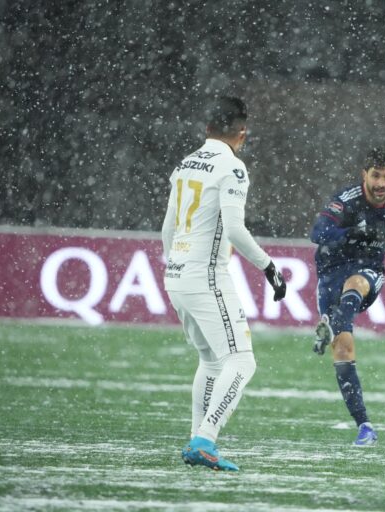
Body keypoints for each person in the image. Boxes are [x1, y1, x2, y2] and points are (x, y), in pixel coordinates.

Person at [161, 96, 287, 471]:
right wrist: (268, 267)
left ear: (207, 129)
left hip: (176, 275)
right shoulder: (231, 168)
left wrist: (178, 263)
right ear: (242, 133)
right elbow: (234, 229)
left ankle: (197, 438)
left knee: (212, 360)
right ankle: (205, 439)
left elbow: (168, 229)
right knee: (242, 362)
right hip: (206, 276)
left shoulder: (184, 165)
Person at [310, 147, 385, 446]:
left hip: (368, 271)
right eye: (375, 176)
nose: (381, 184)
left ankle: (332, 322)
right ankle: (365, 426)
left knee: (357, 283)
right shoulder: (345, 201)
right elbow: (317, 233)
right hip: (332, 271)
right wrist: (349, 234)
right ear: (364, 176)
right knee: (343, 350)